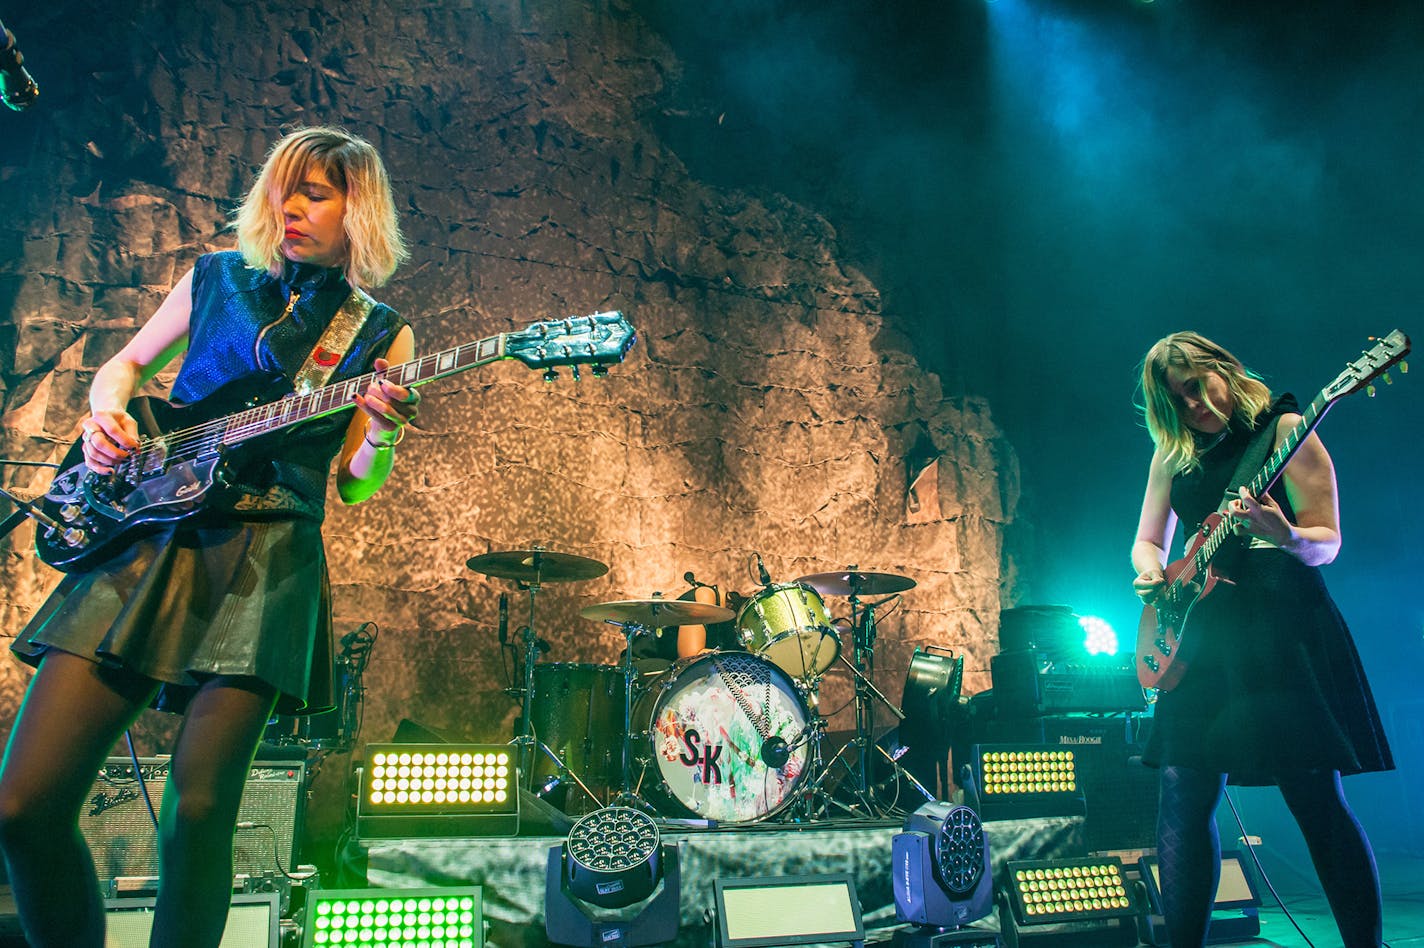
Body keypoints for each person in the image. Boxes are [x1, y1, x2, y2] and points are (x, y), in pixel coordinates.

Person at [0, 127, 419, 948]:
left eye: (316, 193)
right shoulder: (217, 278)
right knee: (21, 805)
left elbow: (357, 484)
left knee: (196, 815)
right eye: (283, 188)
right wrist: (106, 415)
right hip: (151, 539)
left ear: (358, 211)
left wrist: (384, 436)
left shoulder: (379, 331)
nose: (290, 206)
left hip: (268, 565)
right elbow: (125, 365)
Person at [1131, 331, 1392, 948]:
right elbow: (1148, 537)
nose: (1193, 406)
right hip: (1204, 638)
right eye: (1177, 400)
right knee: (1183, 788)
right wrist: (1148, 569)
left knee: (1313, 797)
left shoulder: (1286, 430)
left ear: (1224, 367)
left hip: (1283, 630)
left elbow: (1327, 544)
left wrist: (1283, 533)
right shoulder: (1175, 454)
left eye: (1197, 387)